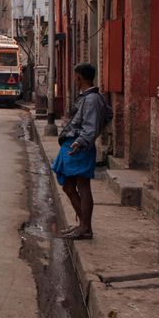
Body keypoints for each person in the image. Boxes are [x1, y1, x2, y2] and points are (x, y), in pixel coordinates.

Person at [52, 62, 106, 240]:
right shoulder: (89, 97)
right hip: (72, 144)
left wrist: (81, 141)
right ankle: (83, 224)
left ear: (79, 77)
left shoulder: (92, 99)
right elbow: (108, 114)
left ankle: (86, 228)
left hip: (78, 147)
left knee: (82, 186)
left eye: (75, 76)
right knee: (68, 186)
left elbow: (91, 126)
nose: (74, 79)